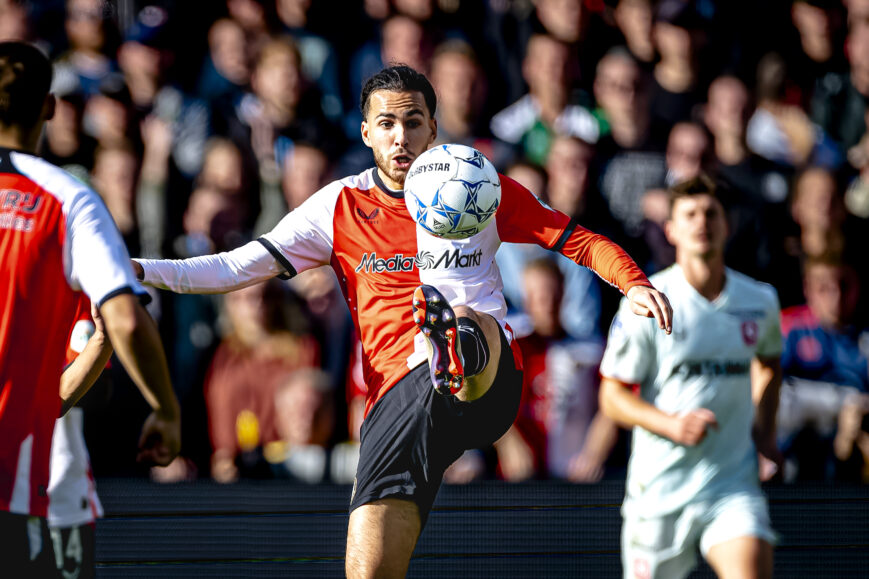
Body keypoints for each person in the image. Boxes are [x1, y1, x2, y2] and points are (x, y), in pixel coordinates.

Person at [132, 64, 672, 578]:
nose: (401, 138)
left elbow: (575, 239)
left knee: (464, 318)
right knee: (368, 569)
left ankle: (452, 349)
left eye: (413, 122)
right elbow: (233, 266)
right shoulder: (339, 206)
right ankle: (442, 351)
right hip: (398, 400)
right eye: (387, 124)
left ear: (434, 127)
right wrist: (137, 271)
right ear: (366, 131)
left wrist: (635, 281)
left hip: (488, 385)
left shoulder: (475, 185)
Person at [0, 41, 180, 574]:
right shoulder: (69, 199)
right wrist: (166, 410)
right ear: (49, 108)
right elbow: (123, 317)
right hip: (19, 483)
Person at [599, 175, 782, 579]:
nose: (702, 222)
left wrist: (764, 434)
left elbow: (769, 362)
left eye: (711, 213)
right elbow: (611, 397)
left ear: (727, 225)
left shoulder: (760, 301)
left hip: (730, 486)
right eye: (690, 214)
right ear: (671, 229)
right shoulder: (644, 303)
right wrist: (671, 425)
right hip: (659, 495)